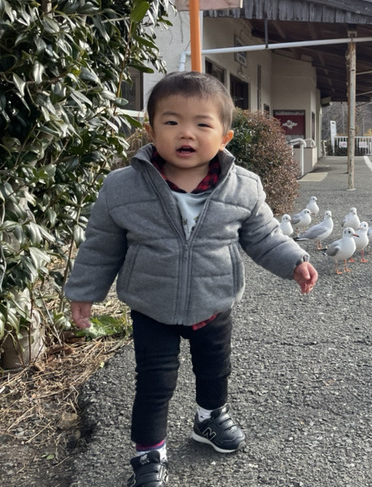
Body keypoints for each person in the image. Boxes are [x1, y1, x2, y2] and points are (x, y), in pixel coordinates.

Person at [65, 71, 318, 487]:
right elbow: (100, 246)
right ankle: (149, 454)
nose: (187, 133)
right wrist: (84, 293)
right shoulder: (122, 188)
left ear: (225, 137)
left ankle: (210, 419)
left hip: (214, 301)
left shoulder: (244, 188)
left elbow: (264, 236)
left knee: (215, 370)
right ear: (150, 130)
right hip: (152, 305)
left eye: (202, 124)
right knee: (154, 382)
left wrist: (294, 260)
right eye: (171, 122)